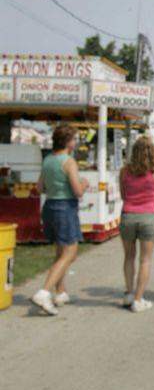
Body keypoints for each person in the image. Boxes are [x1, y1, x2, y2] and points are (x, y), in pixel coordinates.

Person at [31, 125, 89, 316]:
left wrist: (54, 187)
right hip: (66, 208)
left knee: (60, 249)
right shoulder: (69, 162)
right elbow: (77, 191)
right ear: (68, 142)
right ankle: (44, 291)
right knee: (70, 252)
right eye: (74, 139)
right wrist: (84, 184)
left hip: (49, 206)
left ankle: (60, 291)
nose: (76, 142)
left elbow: (39, 188)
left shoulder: (48, 160)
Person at [119, 135, 154, 313]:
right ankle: (138, 299)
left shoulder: (125, 171)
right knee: (145, 260)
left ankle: (129, 293)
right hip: (148, 216)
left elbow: (123, 195)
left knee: (129, 257)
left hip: (128, 215)